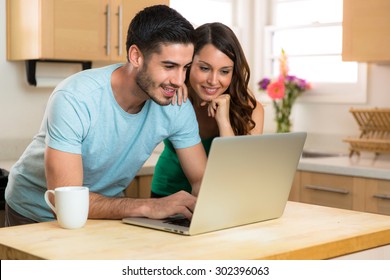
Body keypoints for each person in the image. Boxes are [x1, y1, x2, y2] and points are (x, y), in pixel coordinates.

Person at [4, 5, 207, 227]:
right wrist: (149, 206)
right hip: (39, 212)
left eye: (185, 68)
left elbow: (201, 181)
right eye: (169, 66)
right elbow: (65, 203)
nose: (179, 80)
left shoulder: (176, 104)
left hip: (109, 210)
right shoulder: (75, 97)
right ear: (136, 56)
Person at [151, 22, 264, 198]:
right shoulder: (176, 95)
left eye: (224, 71)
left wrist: (224, 122)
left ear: (233, 73)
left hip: (218, 200)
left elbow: (238, 175)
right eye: (204, 68)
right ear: (189, 64)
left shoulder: (251, 109)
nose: (213, 80)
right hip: (167, 195)